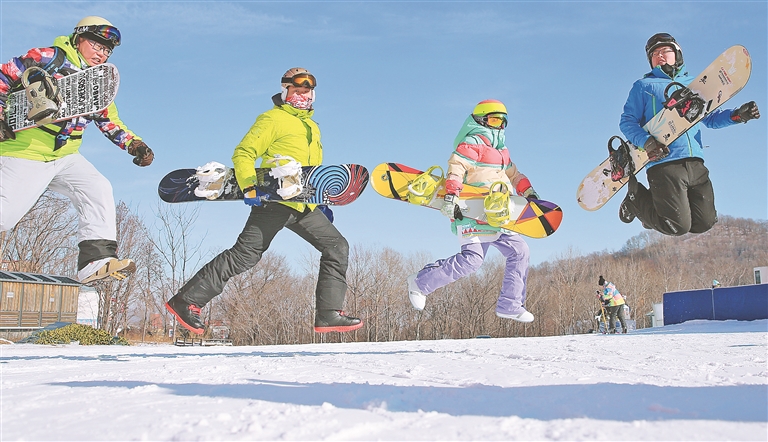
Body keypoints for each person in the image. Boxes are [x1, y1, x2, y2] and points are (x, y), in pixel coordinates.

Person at [165, 68, 363, 335]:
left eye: (307, 91)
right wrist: (248, 186)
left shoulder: (312, 126)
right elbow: (244, 152)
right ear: (285, 91)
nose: (302, 96)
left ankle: (328, 313)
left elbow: (309, 171)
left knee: (337, 247)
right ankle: (186, 300)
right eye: (297, 90)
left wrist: (319, 202)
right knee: (245, 256)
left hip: (303, 205)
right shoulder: (272, 119)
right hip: (273, 200)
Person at [0, 16, 154, 283]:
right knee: (6, 216)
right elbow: (4, 75)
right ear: (79, 39)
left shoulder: (99, 82)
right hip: (27, 150)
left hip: (65, 155)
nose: (101, 53)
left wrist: (134, 144)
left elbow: (108, 120)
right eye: (97, 45)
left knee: (97, 187)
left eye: (107, 50)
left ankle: (95, 260)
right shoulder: (49, 57)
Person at [406, 100, 538, 323]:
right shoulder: (471, 143)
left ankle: (510, 304)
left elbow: (515, 175)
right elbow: (456, 169)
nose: (499, 126)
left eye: (503, 122)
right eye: (494, 120)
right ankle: (419, 283)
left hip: (497, 211)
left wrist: (529, 192)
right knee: (472, 261)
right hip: (472, 210)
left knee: (520, 251)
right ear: (480, 119)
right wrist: (451, 196)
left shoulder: (502, 152)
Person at [618, 33, 760, 235]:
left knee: (705, 223)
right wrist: (647, 143)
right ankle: (636, 199)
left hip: (695, 161)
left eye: (665, 51)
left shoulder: (696, 84)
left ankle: (653, 210)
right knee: (677, 227)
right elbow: (627, 121)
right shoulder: (643, 86)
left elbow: (709, 118)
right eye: (654, 54)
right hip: (664, 163)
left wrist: (737, 115)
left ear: (677, 53)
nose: (660, 56)